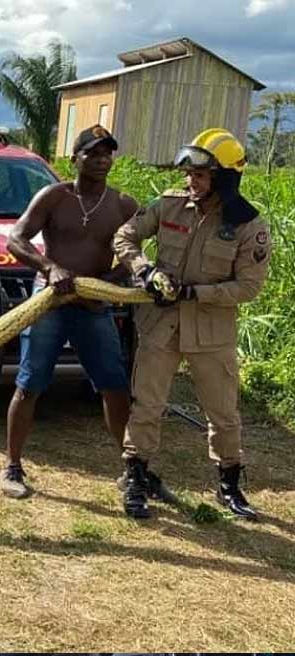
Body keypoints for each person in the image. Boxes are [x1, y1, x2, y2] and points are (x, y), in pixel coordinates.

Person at [113, 128, 270, 520]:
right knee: (147, 405)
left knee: (223, 413)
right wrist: (145, 270)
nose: (190, 181)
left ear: (224, 178)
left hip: (211, 334)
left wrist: (193, 293)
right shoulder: (169, 205)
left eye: (200, 175)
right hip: (160, 327)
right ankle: (136, 478)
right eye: (189, 174)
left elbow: (249, 287)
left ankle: (229, 484)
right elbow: (125, 237)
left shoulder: (249, 226)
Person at [0, 125, 141, 499]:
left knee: (114, 387)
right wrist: (50, 268)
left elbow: (134, 257)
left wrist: (105, 284)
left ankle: (133, 469)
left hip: (93, 306)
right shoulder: (54, 197)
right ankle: (12, 466)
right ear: (75, 158)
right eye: (92, 153)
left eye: (107, 154)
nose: (101, 160)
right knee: (29, 384)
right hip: (50, 302)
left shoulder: (123, 205)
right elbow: (16, 239)